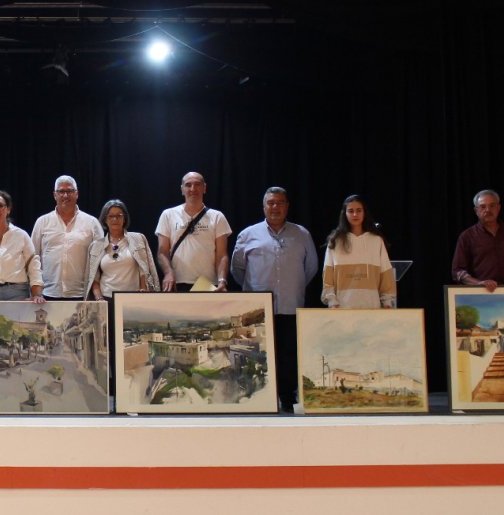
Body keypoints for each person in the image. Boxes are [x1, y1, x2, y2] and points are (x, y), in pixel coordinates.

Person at [231, 187, 319, 408]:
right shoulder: (248, 234)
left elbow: (311, 268)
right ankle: (259, 399)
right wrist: (254, 289)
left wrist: (293, 286)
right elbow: (237, 270)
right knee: (259, 356)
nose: (275, 207)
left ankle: (288, 399)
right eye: (271, 203)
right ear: (264, 206)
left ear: (287, 206)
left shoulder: (302, 234)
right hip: (258, 310)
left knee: (289, 355)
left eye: (280, 202)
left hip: (291, 305)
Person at [156, 172, 232, 292]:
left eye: (197, 184)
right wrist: (168, 273)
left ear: (204, 188)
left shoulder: (217, 217)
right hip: (177, 283)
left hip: (208, 285)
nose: (193, 189)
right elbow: (162, 252)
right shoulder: (168, 215)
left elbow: (222, 255)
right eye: (188, 185)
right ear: (182, 189)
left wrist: (222, 280)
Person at [32, 175, 104, 300]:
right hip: (47, 295)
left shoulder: (92, 223)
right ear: (55, 195)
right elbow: (33, 259)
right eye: (61, 191)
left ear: (77, 194)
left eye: (70, 191)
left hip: (82, 295)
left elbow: (100, 261)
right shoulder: (42, 222)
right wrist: (36, 292)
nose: (65, 195)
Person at [321, 195, 396, 309]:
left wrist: (387, 301)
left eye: (358, 210)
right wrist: (332, 300)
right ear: (345, 214)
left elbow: (385, 273)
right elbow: (328, 275)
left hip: (371, 306)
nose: (355, 214)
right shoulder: (335, 242)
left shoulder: (376, 241)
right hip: (343, 307)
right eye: (351, 211)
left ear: (364, 212)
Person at [84, 199, 160, 299]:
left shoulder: (138, 239)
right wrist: (99, 299)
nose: (115, 219)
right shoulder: (96, 245)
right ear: (105, 219)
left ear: (124, 218)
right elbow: (94, 278)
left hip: (133, 297)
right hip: (106, 298)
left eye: (119, 216)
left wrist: (143, 291)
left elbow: (144, 271)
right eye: (111, 216)